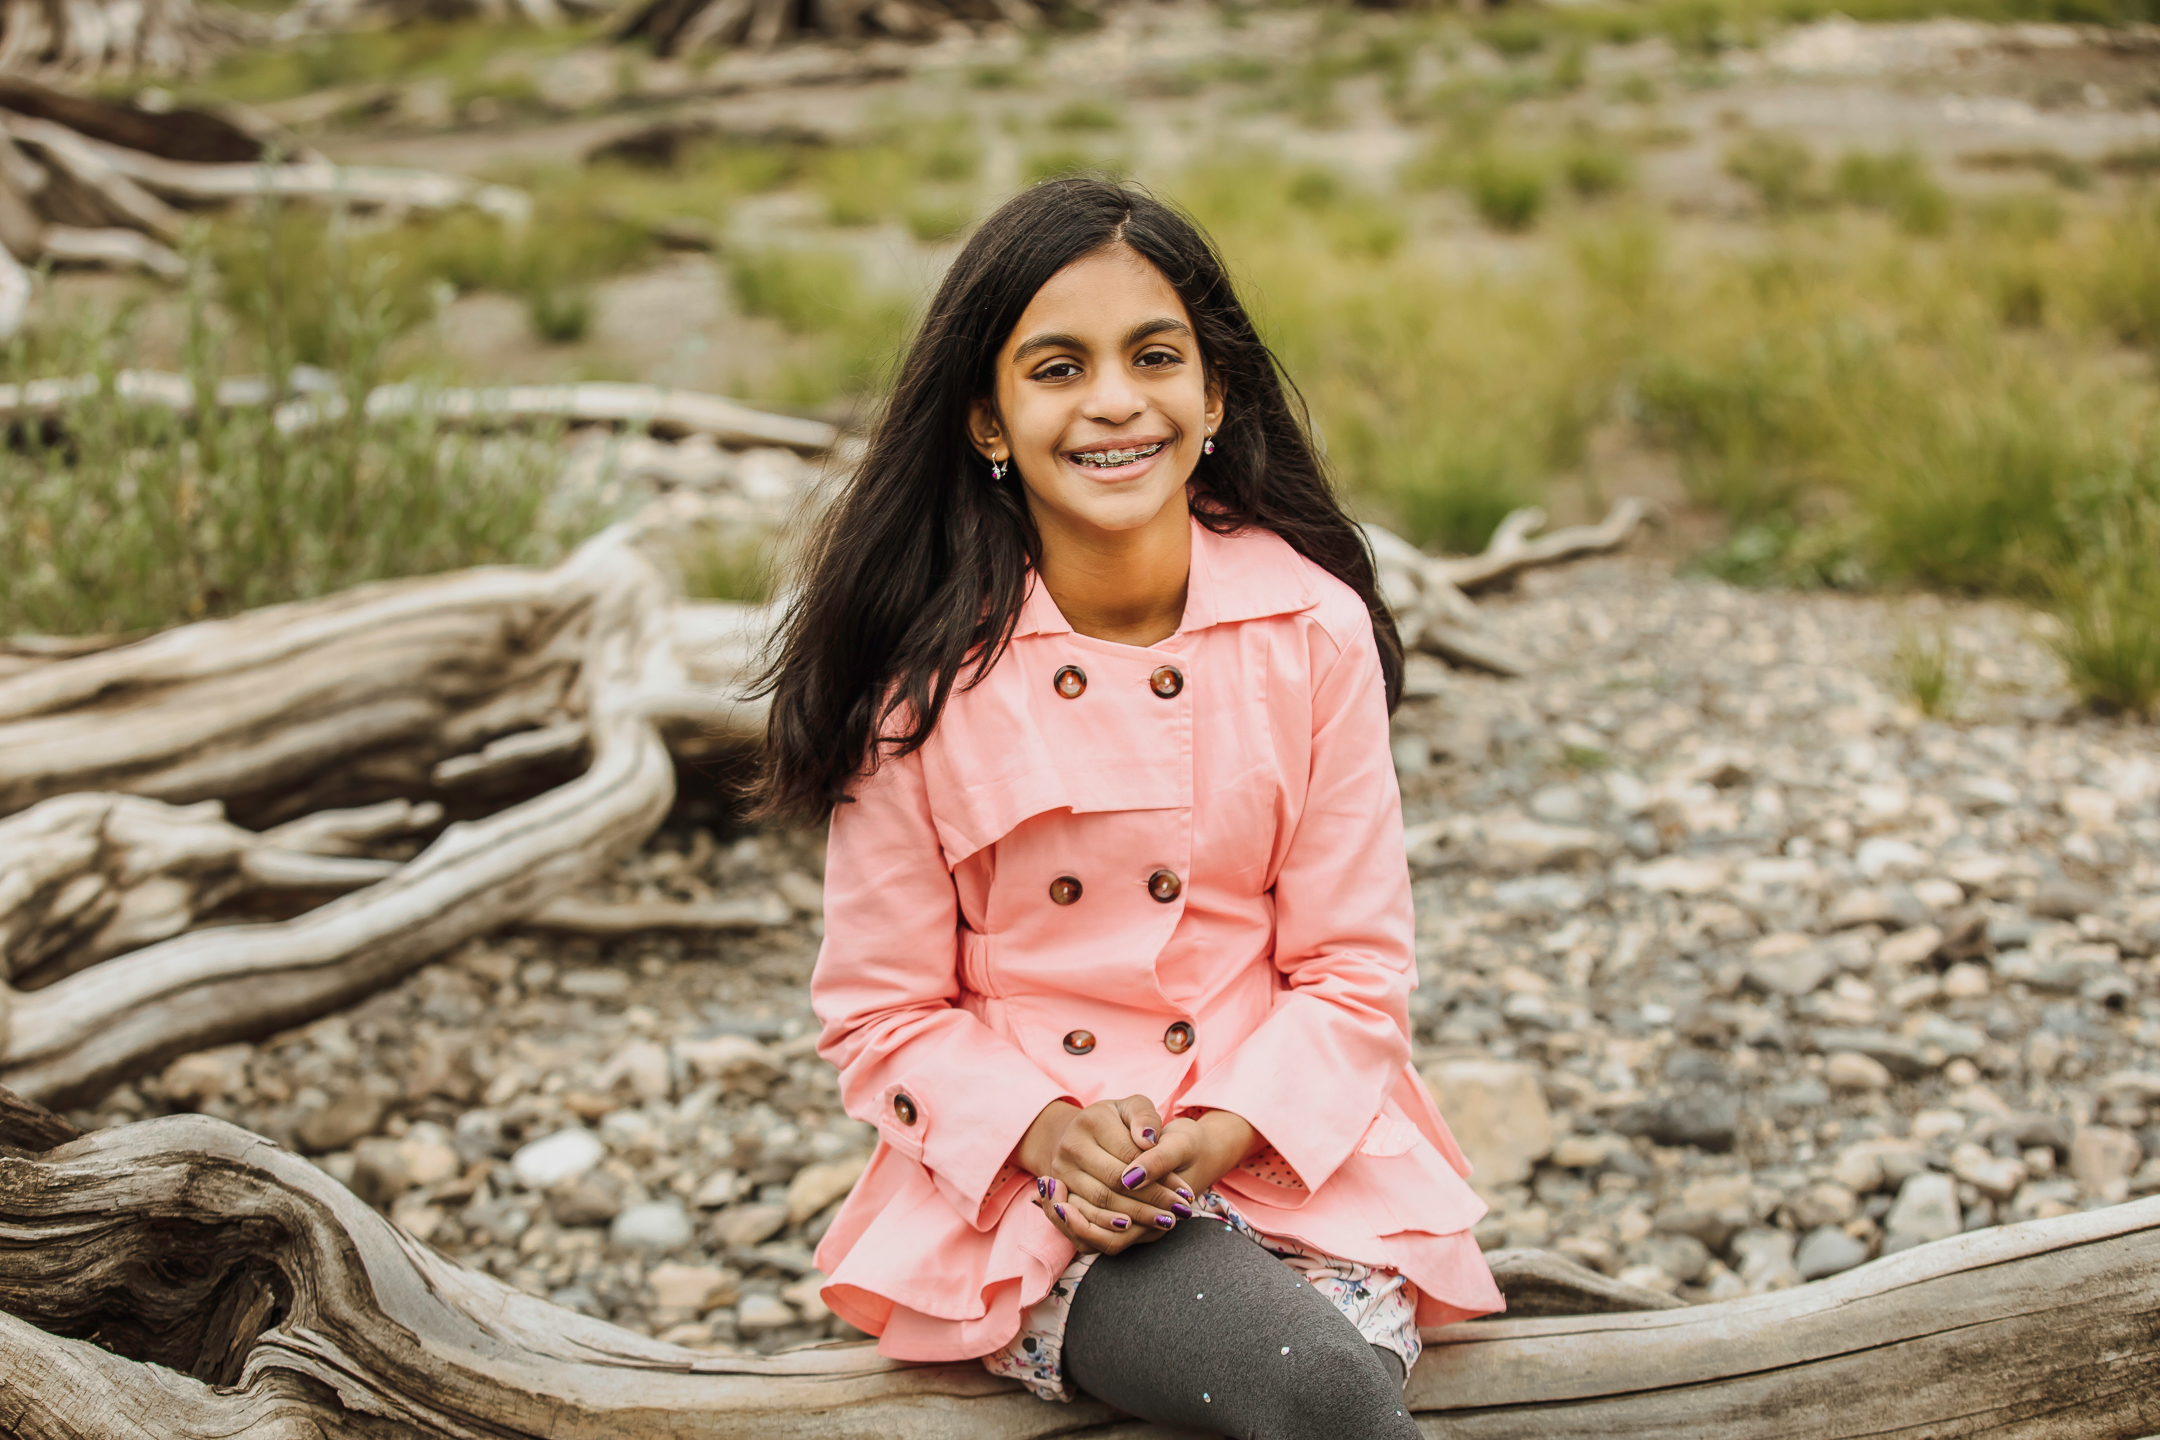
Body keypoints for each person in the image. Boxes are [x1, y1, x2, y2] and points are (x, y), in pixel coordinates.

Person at [752, 175, 1502, 1439]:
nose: (1112, 400)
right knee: (1316, 1391)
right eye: (1057, 367)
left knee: (1321, 1380)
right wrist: (1048, 1134)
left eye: (1153, 356)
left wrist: (1224, 1130)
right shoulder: (921, 678)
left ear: (1214, 397)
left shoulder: (1309, 628)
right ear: (990, 420)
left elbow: (1353, 968)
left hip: (1294, 1162)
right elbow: (880, 1012)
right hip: (1039, 1210)